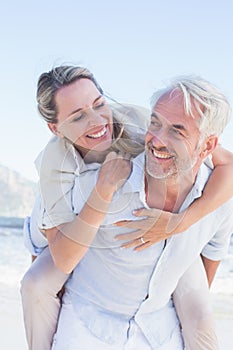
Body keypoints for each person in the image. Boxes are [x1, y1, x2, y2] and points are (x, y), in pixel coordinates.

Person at [21, 68, 233, 349]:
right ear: (56, 128)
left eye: (98, 104)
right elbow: (63, 257)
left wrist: (181, 223)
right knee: (37, 284)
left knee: (199, 313)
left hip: (159, 280)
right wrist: (103, 191)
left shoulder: (138, 121)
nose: (97, 121)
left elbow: (223, 161)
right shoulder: (57, 169)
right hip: (59, 227)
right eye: (77, 116)